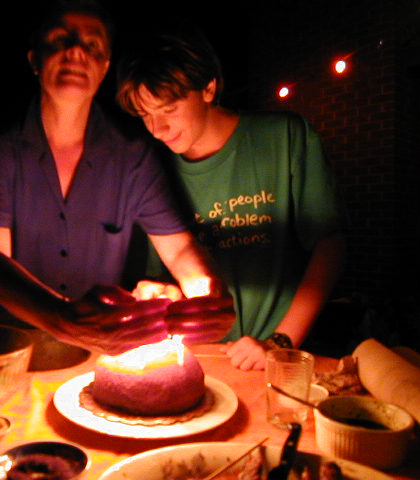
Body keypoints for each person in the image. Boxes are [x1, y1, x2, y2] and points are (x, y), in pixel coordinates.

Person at [0, 2, 234, 356]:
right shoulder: (0, 149)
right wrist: (61, 319)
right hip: (11, 351)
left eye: (92, 46)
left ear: (105, 67)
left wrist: (208, 291)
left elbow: (180, 248)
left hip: (97, 354)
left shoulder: (132, 158)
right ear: (34, 59)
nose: (77, 52)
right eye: (61, 40)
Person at [116, 22, 347, 370]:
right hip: (197, 358)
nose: (157, 129)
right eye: (145, 115)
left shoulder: (284, 138)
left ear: (208, 88)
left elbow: (331, 246)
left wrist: (280, 342)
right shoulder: (153, 171)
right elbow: (169, 274)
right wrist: (164, 295)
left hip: (281, 354)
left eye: (168, 109)